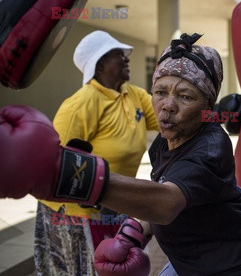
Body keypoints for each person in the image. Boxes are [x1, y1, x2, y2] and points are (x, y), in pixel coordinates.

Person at [91, 32, 241, 276]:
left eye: (185, 96)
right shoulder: (165, 142)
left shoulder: (211, 149)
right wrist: (131, 233)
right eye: (160, 92)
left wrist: (86, 181)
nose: (168, 105)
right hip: (194, 263)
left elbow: (166, 203)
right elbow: (160, 189)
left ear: (207, 104)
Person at [33, 30, 158, 275]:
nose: (126, 58)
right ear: (100, 64)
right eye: (117, 54)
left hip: (116, 202)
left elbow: (165, 119)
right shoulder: (82, 103)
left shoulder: (133, 95)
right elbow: (55, 162)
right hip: (77, 214)